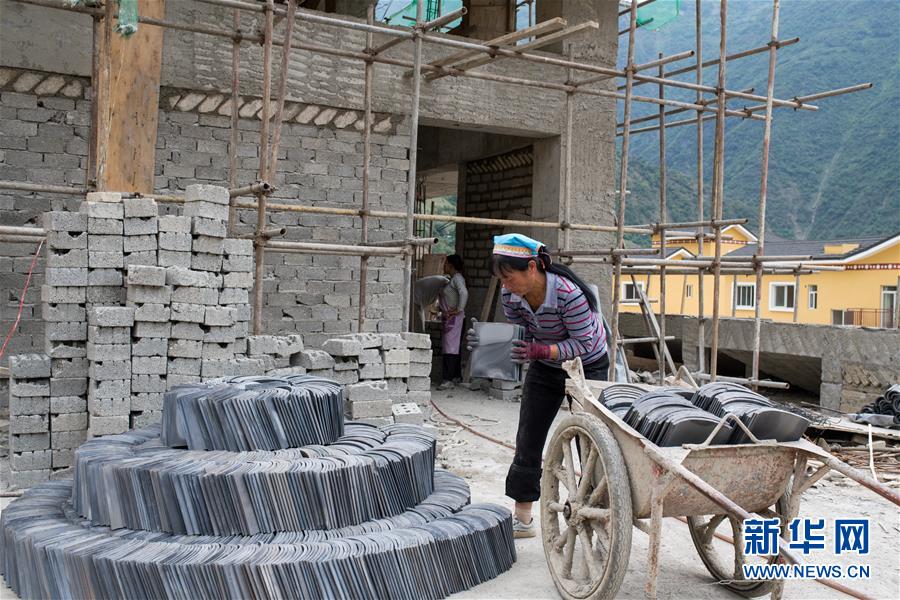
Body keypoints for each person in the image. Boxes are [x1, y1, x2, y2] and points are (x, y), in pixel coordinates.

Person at [467, 233, 608, 539]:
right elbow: (521, 337)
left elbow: (583, 344)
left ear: (532, 267)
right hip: (545, 366)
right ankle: (523, 518)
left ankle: (599, 519)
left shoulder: (569, 294)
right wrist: (487, 343)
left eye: (509, 277)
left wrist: (540, 350)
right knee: (528, 437)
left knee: (589, 443)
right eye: (501, 279)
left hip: (587, 366)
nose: (506, 285)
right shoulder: (511, 296)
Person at [438, 254, 468, 389]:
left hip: (455, 319)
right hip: (451, 319)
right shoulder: (453, 279)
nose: (443, 266)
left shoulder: (457, 278)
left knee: (451, 348)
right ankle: (456, 376)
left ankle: (448, 379)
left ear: (450, 265)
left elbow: (464, 293)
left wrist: (458, 309)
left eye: (445, 263)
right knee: (453, 348)